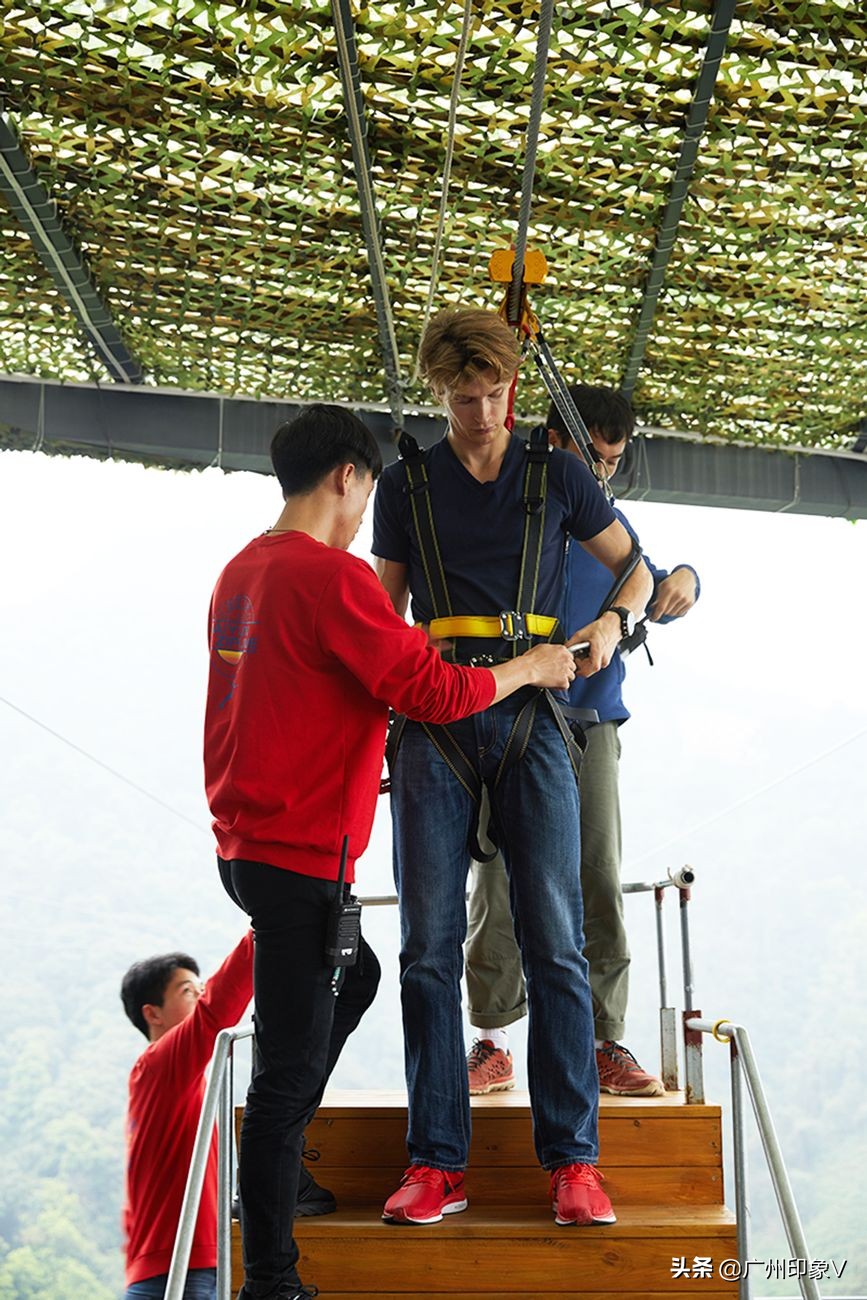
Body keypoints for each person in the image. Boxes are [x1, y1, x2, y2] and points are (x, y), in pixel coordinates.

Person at [203, 403, 578, 1300]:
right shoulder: (332, 579)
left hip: (247, 842)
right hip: (299, 853)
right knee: (288, 1066)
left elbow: (289, 690)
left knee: (361, 975)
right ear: (347, 477)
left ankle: (280, 1153)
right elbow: (428, 686)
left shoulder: (240, 571)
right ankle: (274, 1276)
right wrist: (528, 667)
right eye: (368, 486)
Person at [372, 310, 653, 1229]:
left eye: (493, 393)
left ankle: (573, 1163)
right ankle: (434, 1165)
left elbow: (636, 570)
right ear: (438, 392)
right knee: (425, 949)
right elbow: (386, 617)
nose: (480, 411)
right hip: (434, 721)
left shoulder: (559, 473)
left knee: (556, 942)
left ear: (512, 387)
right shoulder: (403, 485)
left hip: (537, 715)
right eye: (462, 398)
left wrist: (610, 627)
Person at [464, 384, 701, 1100]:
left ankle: (604, 1041)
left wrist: (688, 577)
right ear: (555, 442)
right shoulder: (514, 507)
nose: (600, 475)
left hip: (591, 722)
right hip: (508, 717)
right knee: (498, 876)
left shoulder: (609, 522)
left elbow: (653, 584)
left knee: (595, 872)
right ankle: (492, 1040)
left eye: (612, 462)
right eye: (591, 458)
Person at [120, 935, 254, 1300]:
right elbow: (214, 1014)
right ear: (153, 1013)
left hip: (166, 1266)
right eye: (187, 990)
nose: (199, 994)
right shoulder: (160, 1066)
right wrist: (264, 930)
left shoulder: (167, 1080)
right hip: (180, 1270)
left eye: (200, 987)